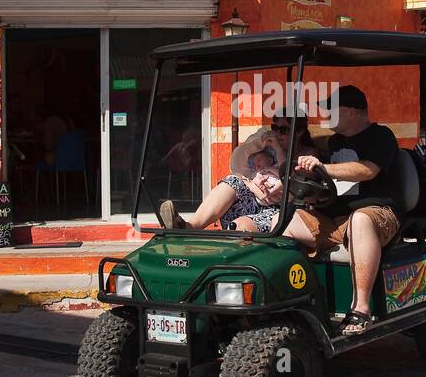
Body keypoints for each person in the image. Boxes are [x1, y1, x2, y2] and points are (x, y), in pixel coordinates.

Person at [281, 85, 402, 335]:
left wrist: (324, 167)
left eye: (330, 110)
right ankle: (294, 301)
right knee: (282, 225)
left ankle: (361, 308)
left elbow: (368, 170)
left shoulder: (381, 136)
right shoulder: (334, 141)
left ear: (348, 111)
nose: (325, 117)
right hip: (335, 217)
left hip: (378, 212)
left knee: (359, 220)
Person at [157, 113, 313, 233]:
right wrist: (261, 142)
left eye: (284, 130)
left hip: (282, 212)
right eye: (275, 128)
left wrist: (278, 151)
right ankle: (188, 228)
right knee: (232, 181)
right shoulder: (267, 150)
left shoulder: (307, 154)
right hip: (256, 199)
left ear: (298, 132)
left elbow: (291, 183)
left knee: (239, 226)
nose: (278, 134)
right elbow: (237, 164)